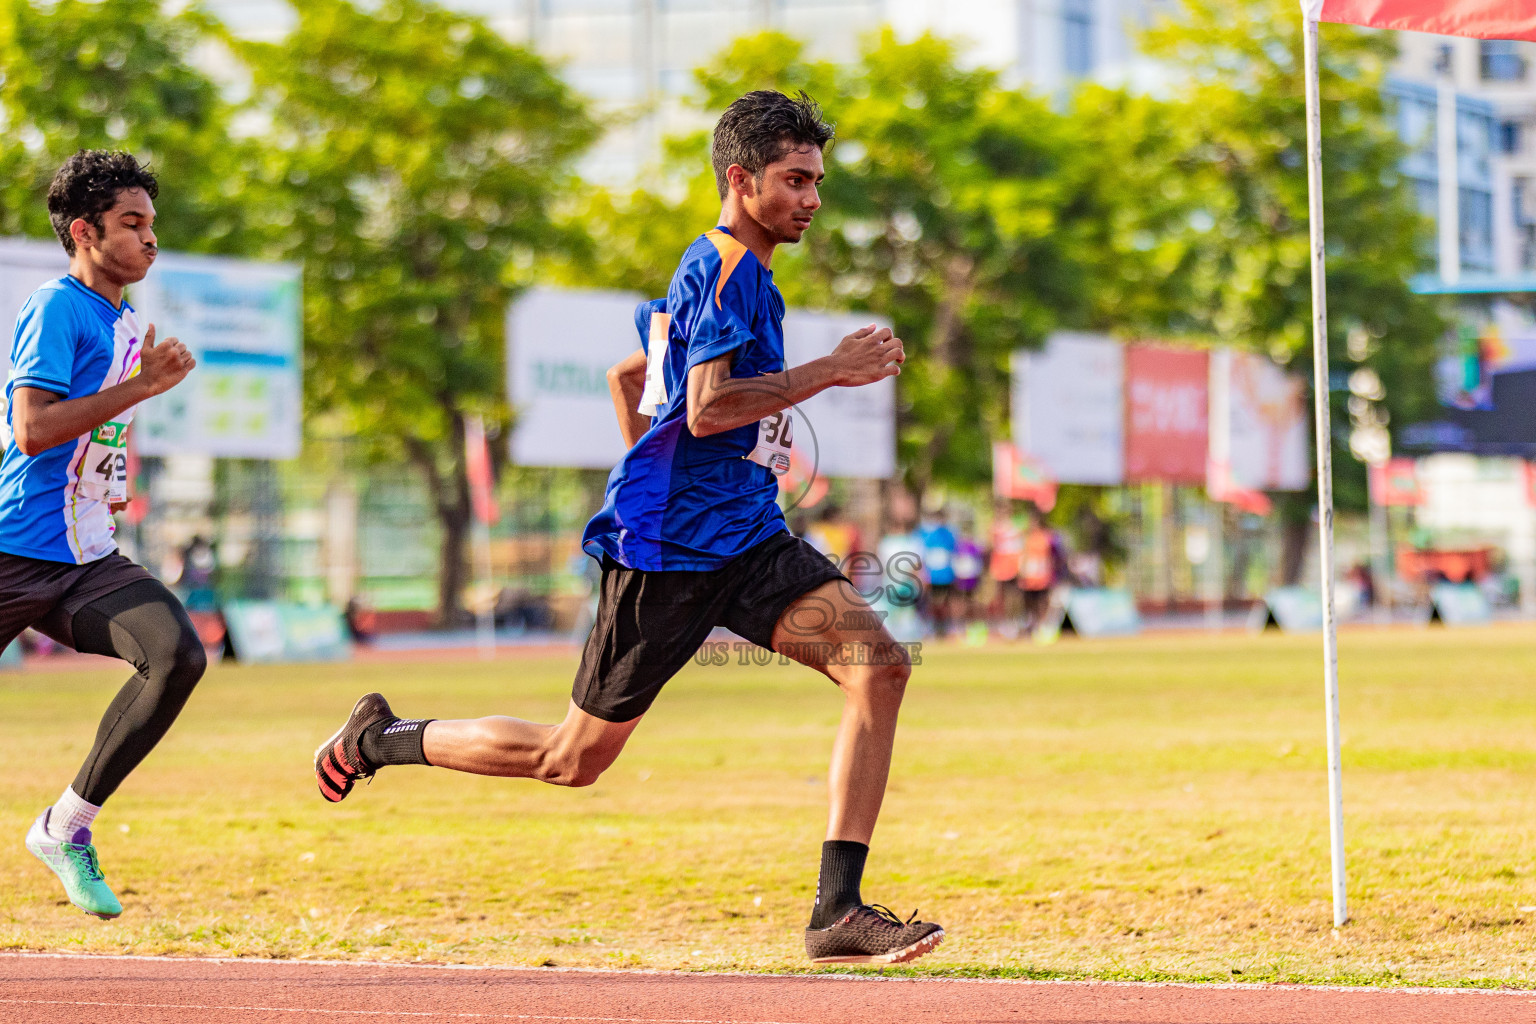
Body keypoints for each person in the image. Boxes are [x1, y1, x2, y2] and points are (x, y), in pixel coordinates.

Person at [316, 91, 943, 966]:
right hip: (669, 557)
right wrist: (830, 372)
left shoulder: (746, 277)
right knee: (572, 759)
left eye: (817, 182)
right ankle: (378, 740)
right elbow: (710, 404)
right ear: (742, 177)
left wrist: (666, 472)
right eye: (796, 180)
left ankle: (837, 911)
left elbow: (631, 378)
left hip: (747, 539)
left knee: (878, 666)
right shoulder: (721, 266)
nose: (812, 199)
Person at [4, 151, 204, 919]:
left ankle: (65, 827)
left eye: (152, 223)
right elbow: (31, 431)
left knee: (177, 655)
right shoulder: (57, 307)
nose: (151, 238)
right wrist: (142, 386)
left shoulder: (121, 318)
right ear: (84, 232)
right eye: (133, 224)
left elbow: (93, 435)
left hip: (81, 556)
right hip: (11, 547)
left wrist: (112, 472)